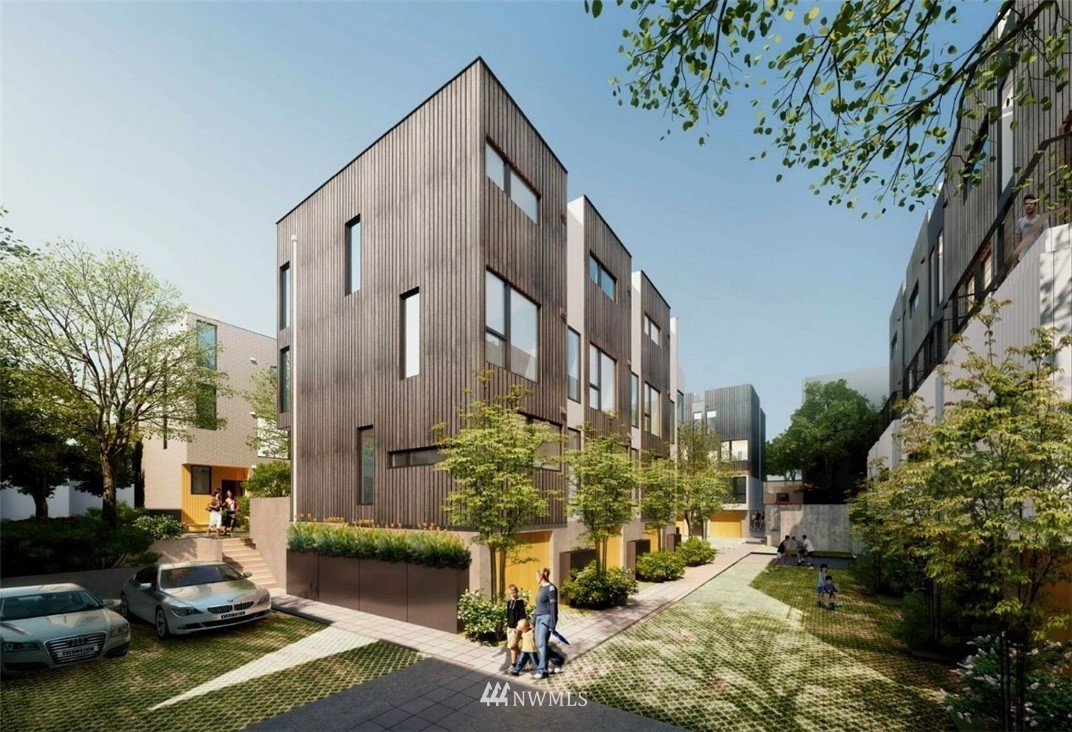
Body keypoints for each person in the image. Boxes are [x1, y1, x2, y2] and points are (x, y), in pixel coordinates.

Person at [531, 567, 558, 680]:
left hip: (546, 618)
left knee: (542, 645)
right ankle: (558, 660)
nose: (536, 578)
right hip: (538, 618)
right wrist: (533, 621)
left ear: (541, 576)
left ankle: (542, 671)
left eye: (537, 576)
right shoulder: (541, 588)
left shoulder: (551, 588)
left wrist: (553, 623)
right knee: (539, 645)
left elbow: (553, 607)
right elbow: (538, 607)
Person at [504, 584, 527, 667]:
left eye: (514, 593)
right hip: (509, 628)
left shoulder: (519, 602)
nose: (512, 594)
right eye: (510, 593)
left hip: (516, 628)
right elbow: (508, 615)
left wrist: (518, 628)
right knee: (515, 646)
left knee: (512, 646)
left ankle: (513, 664)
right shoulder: (509, 602)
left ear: (517, 592)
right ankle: (526, 658)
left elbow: (522, 616)